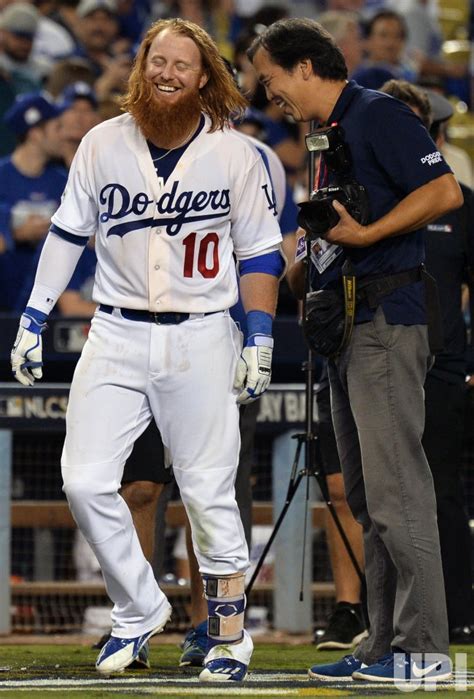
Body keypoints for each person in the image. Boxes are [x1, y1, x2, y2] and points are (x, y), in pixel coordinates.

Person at [10, 17, 284, 682]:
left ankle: (228, 636)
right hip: (117, 327)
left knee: (209, 491)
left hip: (202, 331)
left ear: (204, 77)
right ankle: (138, 610)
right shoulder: (103, 142)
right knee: (84, 478)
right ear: (141, 66)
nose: (166, 72)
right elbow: (67, 235)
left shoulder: (234, 151)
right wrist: (33, 315)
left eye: (181, 64)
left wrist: (261, 331)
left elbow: (261, 250)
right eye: (156, 60)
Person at [248, 17, 462, 684]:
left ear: (306, 66)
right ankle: (383, 645)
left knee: (399, 495)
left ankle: (423, 649)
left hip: (385, 322)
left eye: (271, 76)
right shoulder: (330, 133)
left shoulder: (378, 113)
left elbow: (443, 190)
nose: (268, 92)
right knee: (370, 499)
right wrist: (307, 262)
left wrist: (365, 237)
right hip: (347, 325)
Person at [379, 79, 474, 644]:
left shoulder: (460, 201)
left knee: (442, 490)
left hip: (442, 363)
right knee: (384, 497)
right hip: (380, 360)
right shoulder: (369, 200)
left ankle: (459, 612)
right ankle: (384, 619)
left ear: (433, 133)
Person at [0, 93, 67, 313]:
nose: (63, 135)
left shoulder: (62, 181)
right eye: (57, 128)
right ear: (36, 134)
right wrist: (18, 234)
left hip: (50, 308)